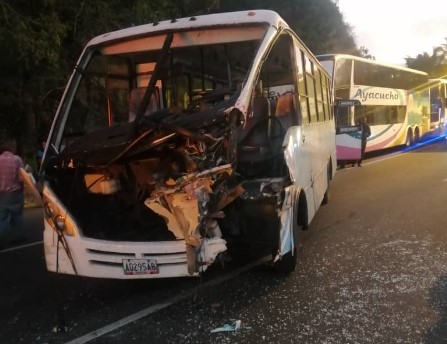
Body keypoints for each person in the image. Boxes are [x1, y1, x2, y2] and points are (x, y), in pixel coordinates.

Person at [0, 138, 26, 247]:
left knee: (2, 218)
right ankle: (16, 237)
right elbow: (21, 178)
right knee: (17, 216)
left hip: (1, 194)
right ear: (12, 148)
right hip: (15, 193)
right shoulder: (17, 160)